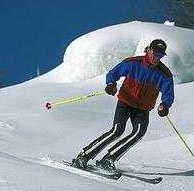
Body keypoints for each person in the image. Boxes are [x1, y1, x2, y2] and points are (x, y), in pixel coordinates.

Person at [71, 39, 174, 172]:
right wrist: (111, 84)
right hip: (125, 102)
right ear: (148, 50)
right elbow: (113, 74)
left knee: (139, 132)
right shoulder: (133, 63)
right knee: (117, 130)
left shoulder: (164, 74)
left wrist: (165, 105)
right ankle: (83, 156)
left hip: (143, 108)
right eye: (155, 53)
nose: (156, 58)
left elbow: (168, 93)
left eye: (160, 56)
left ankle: (108, 159)